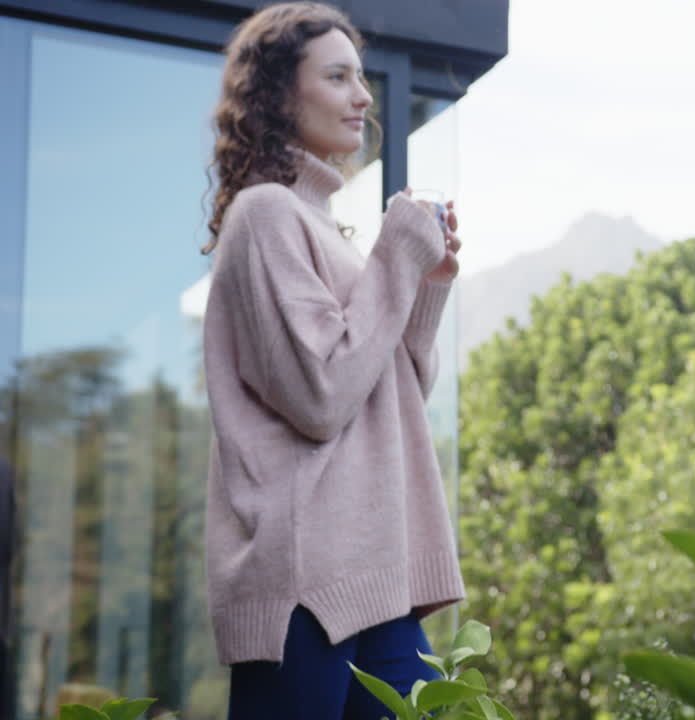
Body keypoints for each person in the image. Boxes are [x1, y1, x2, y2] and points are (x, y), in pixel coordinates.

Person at [201, 4, 463, 718]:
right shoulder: (265, 215)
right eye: (339, 76)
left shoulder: (325, 228)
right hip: (306, 583)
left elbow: (396, 388)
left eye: (362, 78)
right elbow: (322, 397)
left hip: (379, 573)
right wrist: (395, 258)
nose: (363, 96)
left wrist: (422, 280)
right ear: (282, 94)